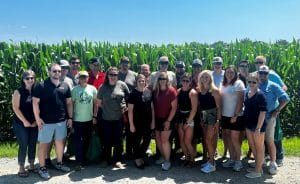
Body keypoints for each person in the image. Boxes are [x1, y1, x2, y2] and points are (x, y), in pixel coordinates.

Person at [32, 64, 73, 180]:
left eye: (59, 71)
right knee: (43, 145)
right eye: (54, 71)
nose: (57, 73)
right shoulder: (41, 85)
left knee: (60, 143)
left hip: (61, 121)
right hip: (46, 122)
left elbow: (69, 103)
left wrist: (70, 118)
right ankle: (42, 167)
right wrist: (37, 119)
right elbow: (35, 103)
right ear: (49, 72)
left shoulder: (65, 86)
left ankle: (59, 163)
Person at [254, 56, 287, 166]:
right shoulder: (255, 81)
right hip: (257, 117)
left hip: (270, 114)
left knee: (271, 138)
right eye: (260, 73)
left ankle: (276, 160)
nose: (262, 74)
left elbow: (285, 95)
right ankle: (262, 160)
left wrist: (276, 109)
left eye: (265, 73)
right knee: (261, 140)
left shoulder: (273, 80)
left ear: (268, 73)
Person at [97, 67, 130, 168]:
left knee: (118, 140)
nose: (113, 76)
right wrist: (108, 109)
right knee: (106, 140)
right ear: (107, 75)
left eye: (115, 75)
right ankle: (106, 159)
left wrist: (125, 106)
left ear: (117, 76)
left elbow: (128, 96)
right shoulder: (103, 87)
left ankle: (117, 160)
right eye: (111, 74)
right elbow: (98, 103)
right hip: (106, 119)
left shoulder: (122, 84)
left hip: (119, 118)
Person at [12, 70, 38, 177]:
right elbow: (15, 108)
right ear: (23, 80)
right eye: (27, 78)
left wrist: (36, 120)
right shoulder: (18, 92)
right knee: (23, 144)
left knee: (32, 143)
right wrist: (25, 121)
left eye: (32, 78)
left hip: (34, 123)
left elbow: (40, 106)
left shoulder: (37, 91)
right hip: (21, 123)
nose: (30, 80)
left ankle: (31, 165)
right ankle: (21, 167)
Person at [220, 65, 245, 172]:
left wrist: (235, 115)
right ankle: (231, 159)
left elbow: (240, 100)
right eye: (228, 72)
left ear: (235, 74)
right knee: (228, 138)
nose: (229, 74)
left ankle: (238, 161)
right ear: (225, 73)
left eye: (232, 72)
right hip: (225, 115)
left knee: (235, 139)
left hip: (236, 116)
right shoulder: (223, 84)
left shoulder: (239, 83)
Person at [71, 71, 98, 171]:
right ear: (78, 78)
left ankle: (85, 159)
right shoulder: (74, 90)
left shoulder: (93, 89)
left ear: (88, 78)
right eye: (81, 77)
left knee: (87, 140)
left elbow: (96, 104)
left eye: (85, 77)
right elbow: (71, 105)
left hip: (89, 120)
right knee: (78, 142)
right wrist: (71, 118)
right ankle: (78, 161)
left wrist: (95, 116)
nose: (83, 79)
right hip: (77, 120)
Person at [128, 74, 155, 169]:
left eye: (143, 81)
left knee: (147, 140)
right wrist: (131, 124)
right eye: (139, 81)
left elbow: (152, 108)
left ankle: (140, 156)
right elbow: (130, 110)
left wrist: (153, 122)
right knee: (136, 141)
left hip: (147, 121)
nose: (141, 82)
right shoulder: (133, 94)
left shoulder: (148, 92)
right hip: (137, 122)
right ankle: (137, 159)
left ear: (145, 81)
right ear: (136, 82)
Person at [197, 70, 222, 173]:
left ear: (210, 78)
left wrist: (217, 121)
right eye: (203, 77)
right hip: (204, 116)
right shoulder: (201, 90)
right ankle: (210, 160)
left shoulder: (214, 90)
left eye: (207, 77)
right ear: (200, 79)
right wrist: (201, 118)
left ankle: (212, 163)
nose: (205, 79)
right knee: (206, 140)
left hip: (212, 117)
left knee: (208, 140)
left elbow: (219, 107)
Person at [244, 73, 267, 178]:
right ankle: (258, 167)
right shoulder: (247, 93)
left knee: (259, 148)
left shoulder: (260, 95)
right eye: (250, 82)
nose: (251, 84)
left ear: (258, 83)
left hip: (258, 126)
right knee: (253, 147)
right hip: (248, 124)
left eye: (254, 82)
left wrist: (258, 128)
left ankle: (258, 171)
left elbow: (263, 112)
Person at [153, 72, 177, 171]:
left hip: (168, 118)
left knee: (164, 140)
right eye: (160, 78)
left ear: (167, 80)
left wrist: (168, 121)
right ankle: (163, 157)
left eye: (164, 79)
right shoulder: (155, 91)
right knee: (158, 139)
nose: (162, 80)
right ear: (158, 80)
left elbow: (174, 108)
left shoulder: (171, 91)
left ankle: (167, 161)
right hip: (157, 118)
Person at [118, 56, 137, 159]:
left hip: (131, 107)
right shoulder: (116, 74)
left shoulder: (134, 75)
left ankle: (130, 152)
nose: (125, 64)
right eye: (123, 62)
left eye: (127, 62)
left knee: (130, 130)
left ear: (129, 64)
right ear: (120, 63)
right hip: (118, 107)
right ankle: (120, 153)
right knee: (120, 130)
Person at [176, 73, 198, 167]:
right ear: (181, 81)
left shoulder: (192, 93)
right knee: (181, 141)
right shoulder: (178, 91)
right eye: (183, 80)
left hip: (190, 118)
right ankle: (187, 157)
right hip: (181, 116)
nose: (185, 83)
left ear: (190, 82)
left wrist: (188, 122)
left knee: (187, 141)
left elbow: (194, 109)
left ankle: (192, 159)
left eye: (187, 81)